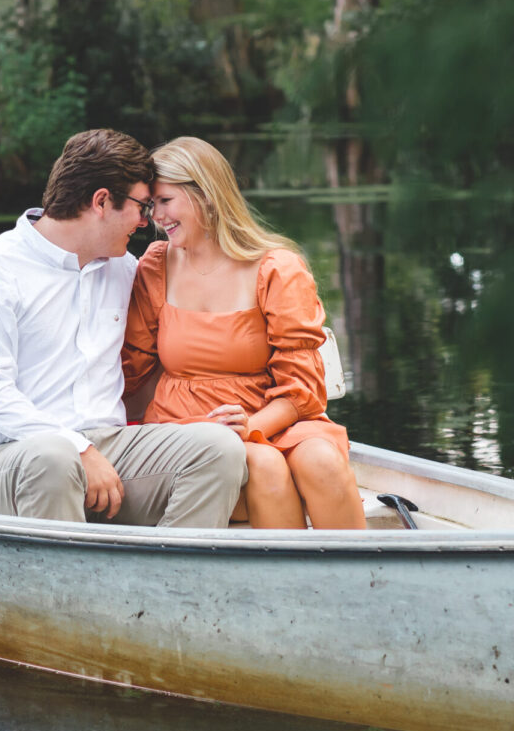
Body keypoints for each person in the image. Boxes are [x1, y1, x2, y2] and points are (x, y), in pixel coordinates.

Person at [0, 129, 247, 526]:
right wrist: (79, 449)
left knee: (218, 448)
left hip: (112, 449)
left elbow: (170, 359)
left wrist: (210, 413)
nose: (146, 222)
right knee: (53, 459)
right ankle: (62, 589)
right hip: (15, 456)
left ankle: (168, 583)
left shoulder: (126, 271)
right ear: (101, 201)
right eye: (141, 207)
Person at [122, 136, 366, 530]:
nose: (154, 218)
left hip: (276, 417)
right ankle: (285, 588)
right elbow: (130, 369)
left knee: (321, 461)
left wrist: (252, 427)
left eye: (165, 202)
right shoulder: (156, 265)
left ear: (206, 194)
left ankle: (367, 581)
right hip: (189, 428)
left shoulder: (277, 268)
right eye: (149, 206)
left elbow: (302, 387)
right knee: (264, 464)